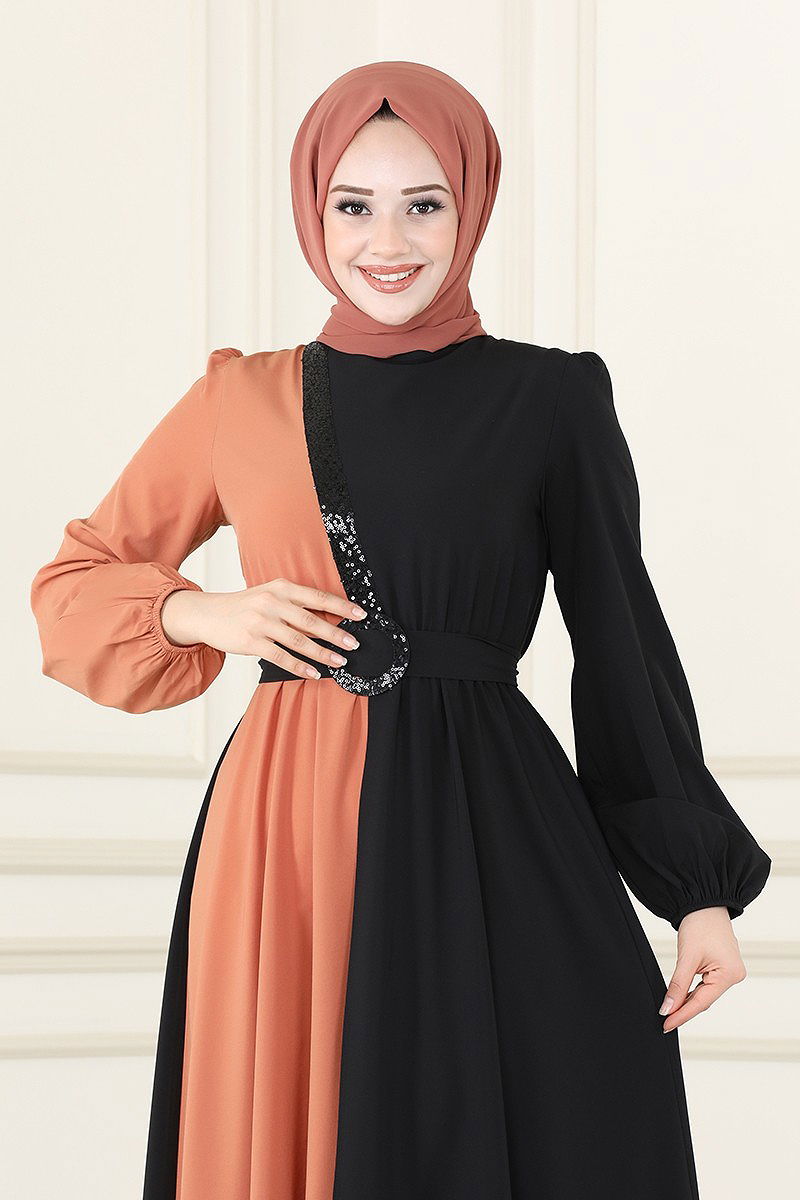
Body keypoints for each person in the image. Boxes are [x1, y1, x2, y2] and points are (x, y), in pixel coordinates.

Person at [30, 60, 771, 1200]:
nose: (387, 241)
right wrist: (207, 612)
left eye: (424, 203)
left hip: (493, 818)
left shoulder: (550, 398)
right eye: (353, 205)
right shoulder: (242, 398)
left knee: (551, 1110)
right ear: (311, 211)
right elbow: (75, 584)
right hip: (286, 826)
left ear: (471, 207)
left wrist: (695, 890)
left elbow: (622, 645)